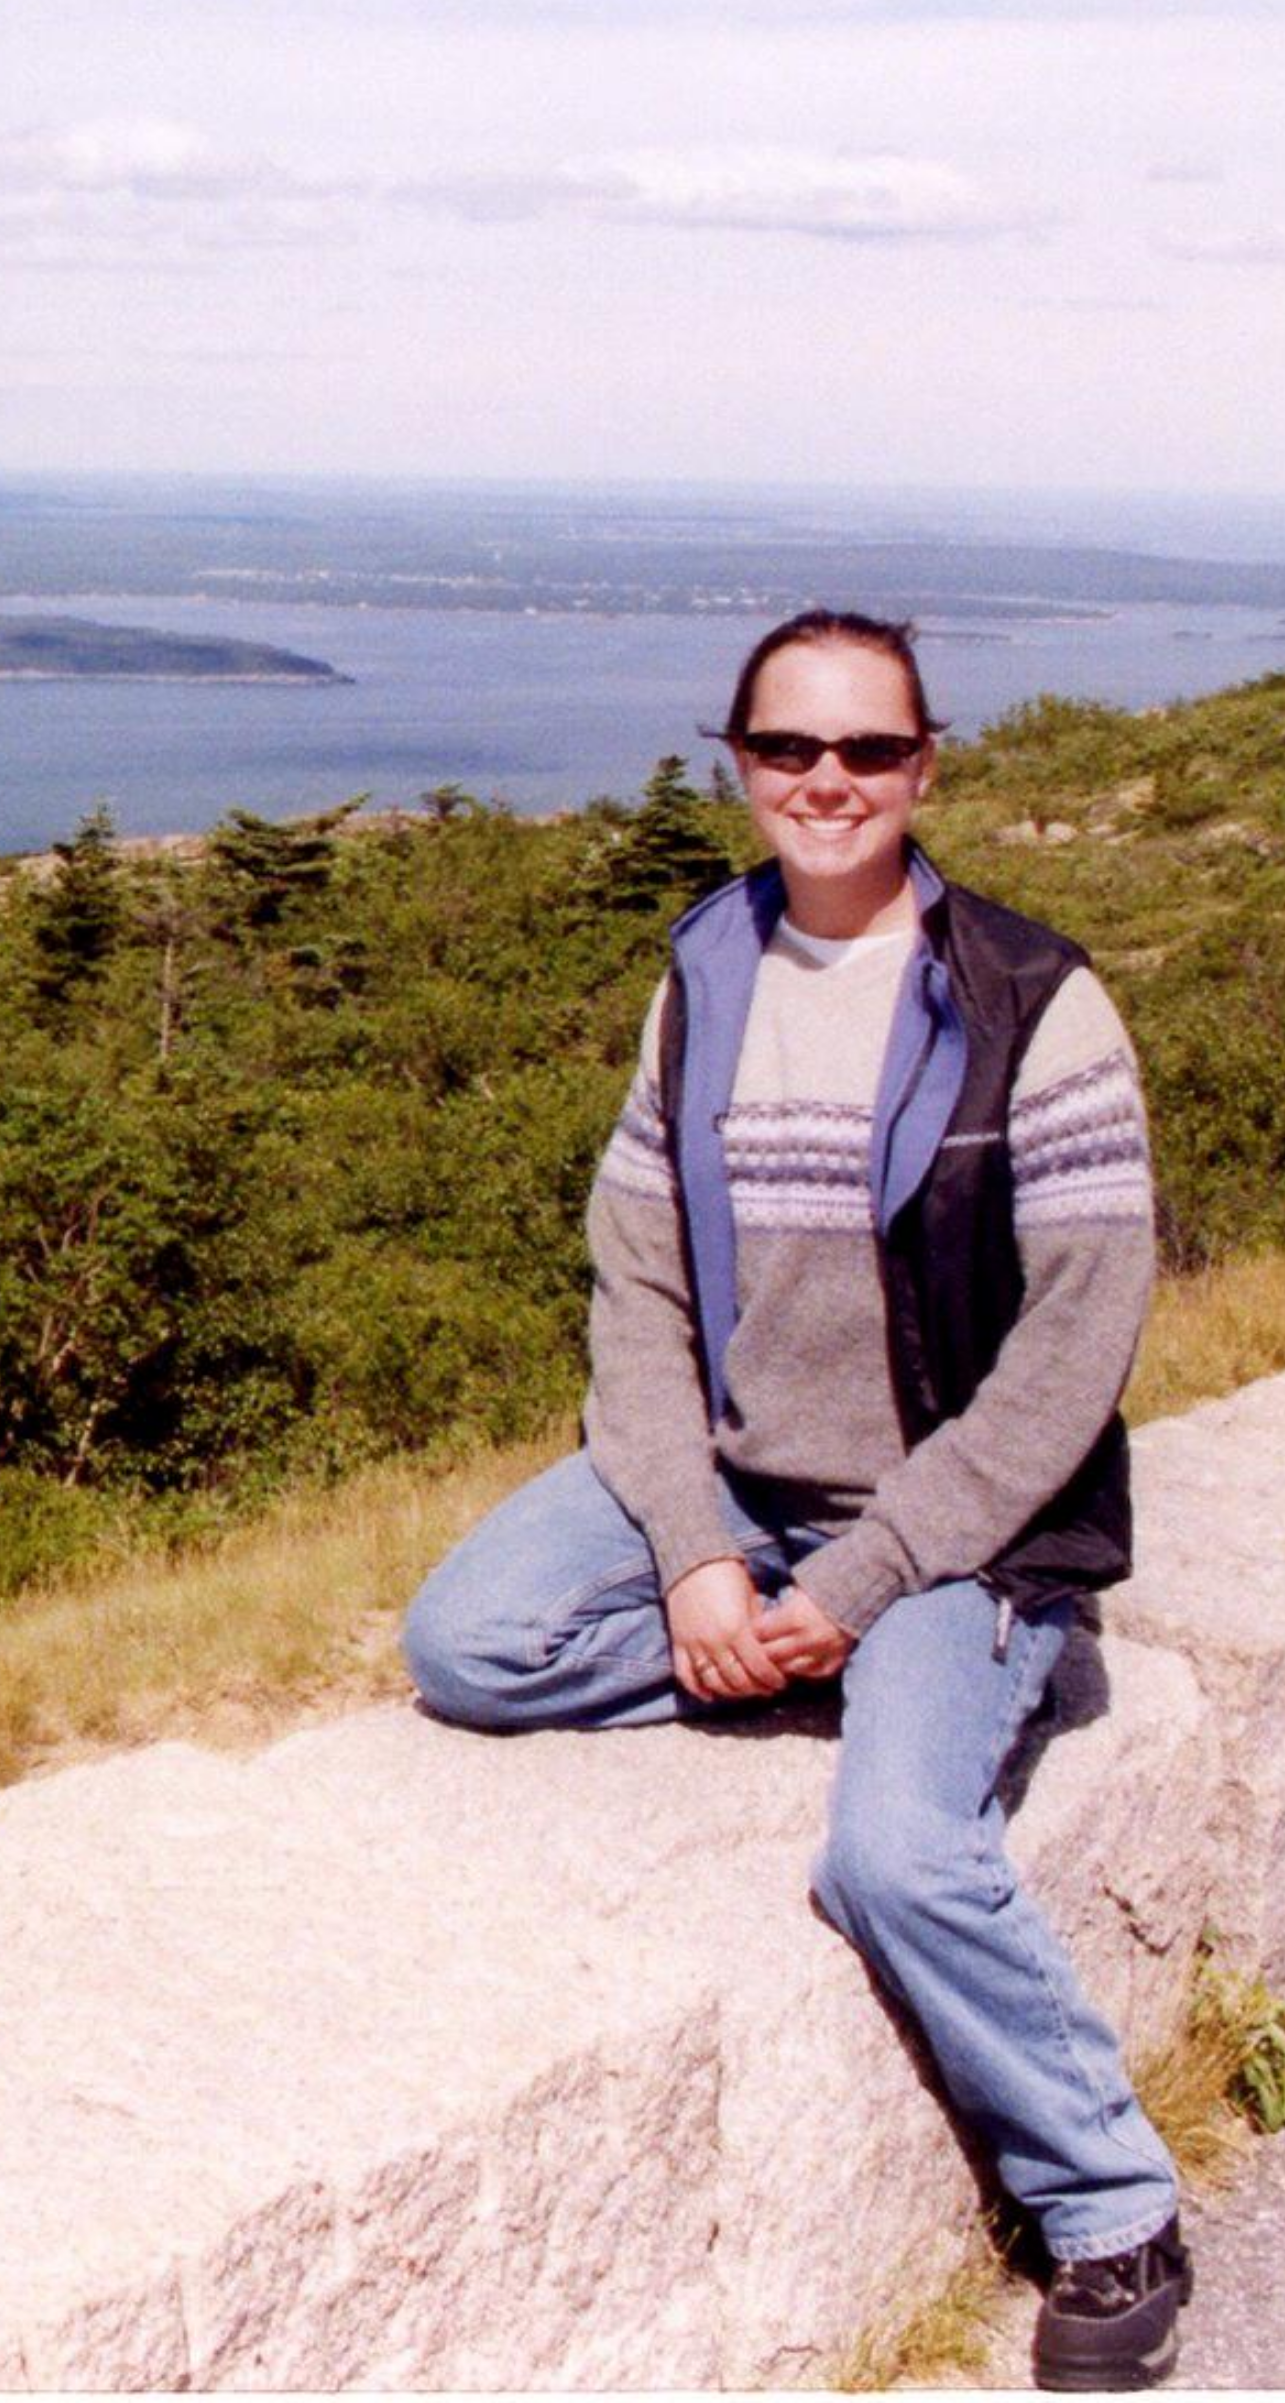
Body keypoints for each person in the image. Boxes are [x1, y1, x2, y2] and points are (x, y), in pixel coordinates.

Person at [397, 607, 1189, 2394]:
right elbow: (641, 1292)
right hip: (746, 1485)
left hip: (957, 1522)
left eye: (868, 751)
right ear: (736, 764)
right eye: (787, 750)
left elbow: (1075, 1350)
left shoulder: (1035, 1004)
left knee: (894, 1857)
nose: (826, 784)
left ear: (927, 766)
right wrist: (693, 1553)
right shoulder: (709, 975)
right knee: (472, 1643)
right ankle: (821, 1666)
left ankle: (1112, 2202)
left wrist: (884, 1570)